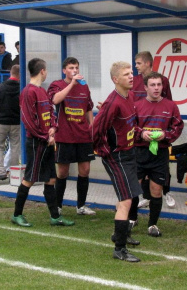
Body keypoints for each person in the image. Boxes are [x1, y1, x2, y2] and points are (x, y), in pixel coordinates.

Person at [12, 58, 74, 228]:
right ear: (42, 71)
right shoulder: (28, 92)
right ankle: (17, 214)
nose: (46, 73)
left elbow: (50, 112)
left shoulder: (42, 91)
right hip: (37, 142)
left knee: (51, 179)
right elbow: (28, 120)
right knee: (30, 178)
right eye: (46, 70)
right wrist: (45, 136)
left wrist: (53, 128)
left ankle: (55, 217)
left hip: (47, 140)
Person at [91, 61, 143, 263]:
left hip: (129, 153)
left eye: (132, 73)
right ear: (115, 79)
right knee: (126, 200)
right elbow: (96, 131)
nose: (131, 76)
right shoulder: (112, 103)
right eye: (126, 74)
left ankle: (121, 234)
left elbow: (130, 125)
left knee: (131, 196)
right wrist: (105, 151)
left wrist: (141, 133)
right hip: (117, 156)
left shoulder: (129, 96)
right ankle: (119, 249)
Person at [134, 72, 184, 237]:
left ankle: (152, 224)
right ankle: (132, 218)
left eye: (159, 85)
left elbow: (178, 127)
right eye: (153, 85)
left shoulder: (171, 106)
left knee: (156, 190)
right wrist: (141, 133)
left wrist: (166, 135)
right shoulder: (137, 105)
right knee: (134, 188)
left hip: (160, 153)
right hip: (139, 152)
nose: (156, 88)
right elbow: (130, 126)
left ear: (163, 87)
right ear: (145, 87)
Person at [48, 57, 96, 215]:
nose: (74, 70)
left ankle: (80, 206)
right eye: (71, 68)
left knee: (86, 169)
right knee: (62, 172)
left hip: (83, 135)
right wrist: (72, 84)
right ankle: (58, 205)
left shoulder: (84, 87)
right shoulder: (57, 85)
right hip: (65, 135)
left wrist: (92, 126)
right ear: (64, 70)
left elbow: (88, 107)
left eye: (76, 67)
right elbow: (55, 100)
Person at [132, 51, 175, 210]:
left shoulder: (163, 80)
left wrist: (167, 129)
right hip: (141, 131)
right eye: (135, 63)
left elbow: (169, 102)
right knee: (140, 168)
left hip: (159, 128)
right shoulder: (135, 81)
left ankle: (166, 192)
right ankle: (146, 197)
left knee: (162, 163)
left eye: (138, 63)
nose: (136, 66)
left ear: (148, 63)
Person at [0, 65, 21, 184]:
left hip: (1, 122)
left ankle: (0, 172)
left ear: (10, 73)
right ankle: (14, 173)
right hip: (17, 123)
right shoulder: (21, 89)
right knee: (15, 147)